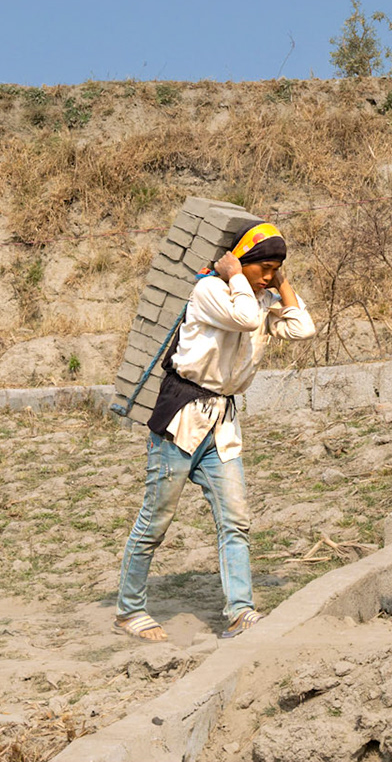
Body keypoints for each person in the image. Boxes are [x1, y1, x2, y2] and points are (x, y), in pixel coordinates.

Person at [115, 220, 317, 642]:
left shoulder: (259, 299)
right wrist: (237, 278)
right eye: (265, 266)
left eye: (275, 268)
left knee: (235, 520)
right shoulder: (210, 291)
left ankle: (240, 612)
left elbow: (302, 328)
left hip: (221, 422)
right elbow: (243, 318)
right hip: (183, 416)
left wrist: (282, 285)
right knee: (155, 520)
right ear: (241, 262)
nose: (269, 275)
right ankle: (129, 610)